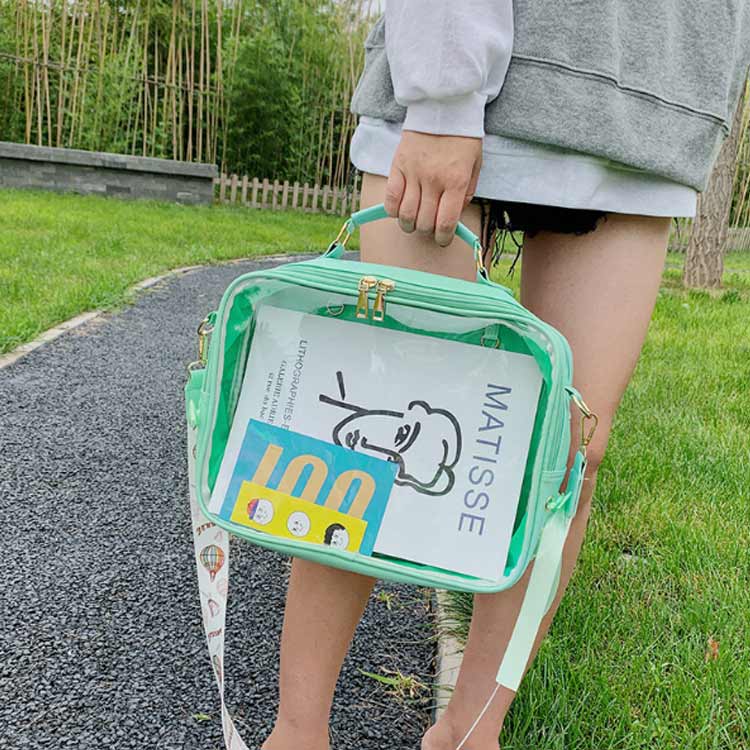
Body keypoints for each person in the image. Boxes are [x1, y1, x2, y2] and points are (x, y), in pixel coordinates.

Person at [262, 2, 750, 748]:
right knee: (378, 416)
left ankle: (469, 734)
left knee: (567, 456)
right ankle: (297, 735)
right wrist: (442, 94)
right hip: (462, 96)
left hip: (647, 108)